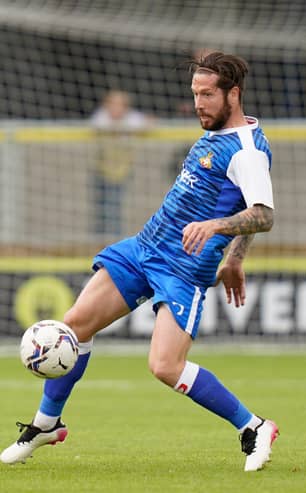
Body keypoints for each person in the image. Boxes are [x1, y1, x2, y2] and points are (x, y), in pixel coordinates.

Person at [1, 52, 279, 472]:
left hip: (183, 269)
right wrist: (237, 257)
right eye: (195, 94)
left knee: (165, 366)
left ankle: (253, 426)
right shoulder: (214, 133)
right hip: (145, 246)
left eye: (207, 95)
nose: (198, 104)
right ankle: (46, 424)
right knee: (76, 325)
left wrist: (219, 231)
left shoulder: (246, 151)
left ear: (233, 94)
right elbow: (247, 206)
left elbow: (263, 213)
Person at [90, 89, 151, 237]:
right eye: (112, 104)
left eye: (120, 104)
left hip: (123, 169)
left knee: (115, 206)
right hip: (102, 168)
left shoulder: (133, 118)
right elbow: (97, 125)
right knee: (101, 207)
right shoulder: (101, 117)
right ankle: (98, 238)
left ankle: (114, 238)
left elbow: (149, 123)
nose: (116, 108)